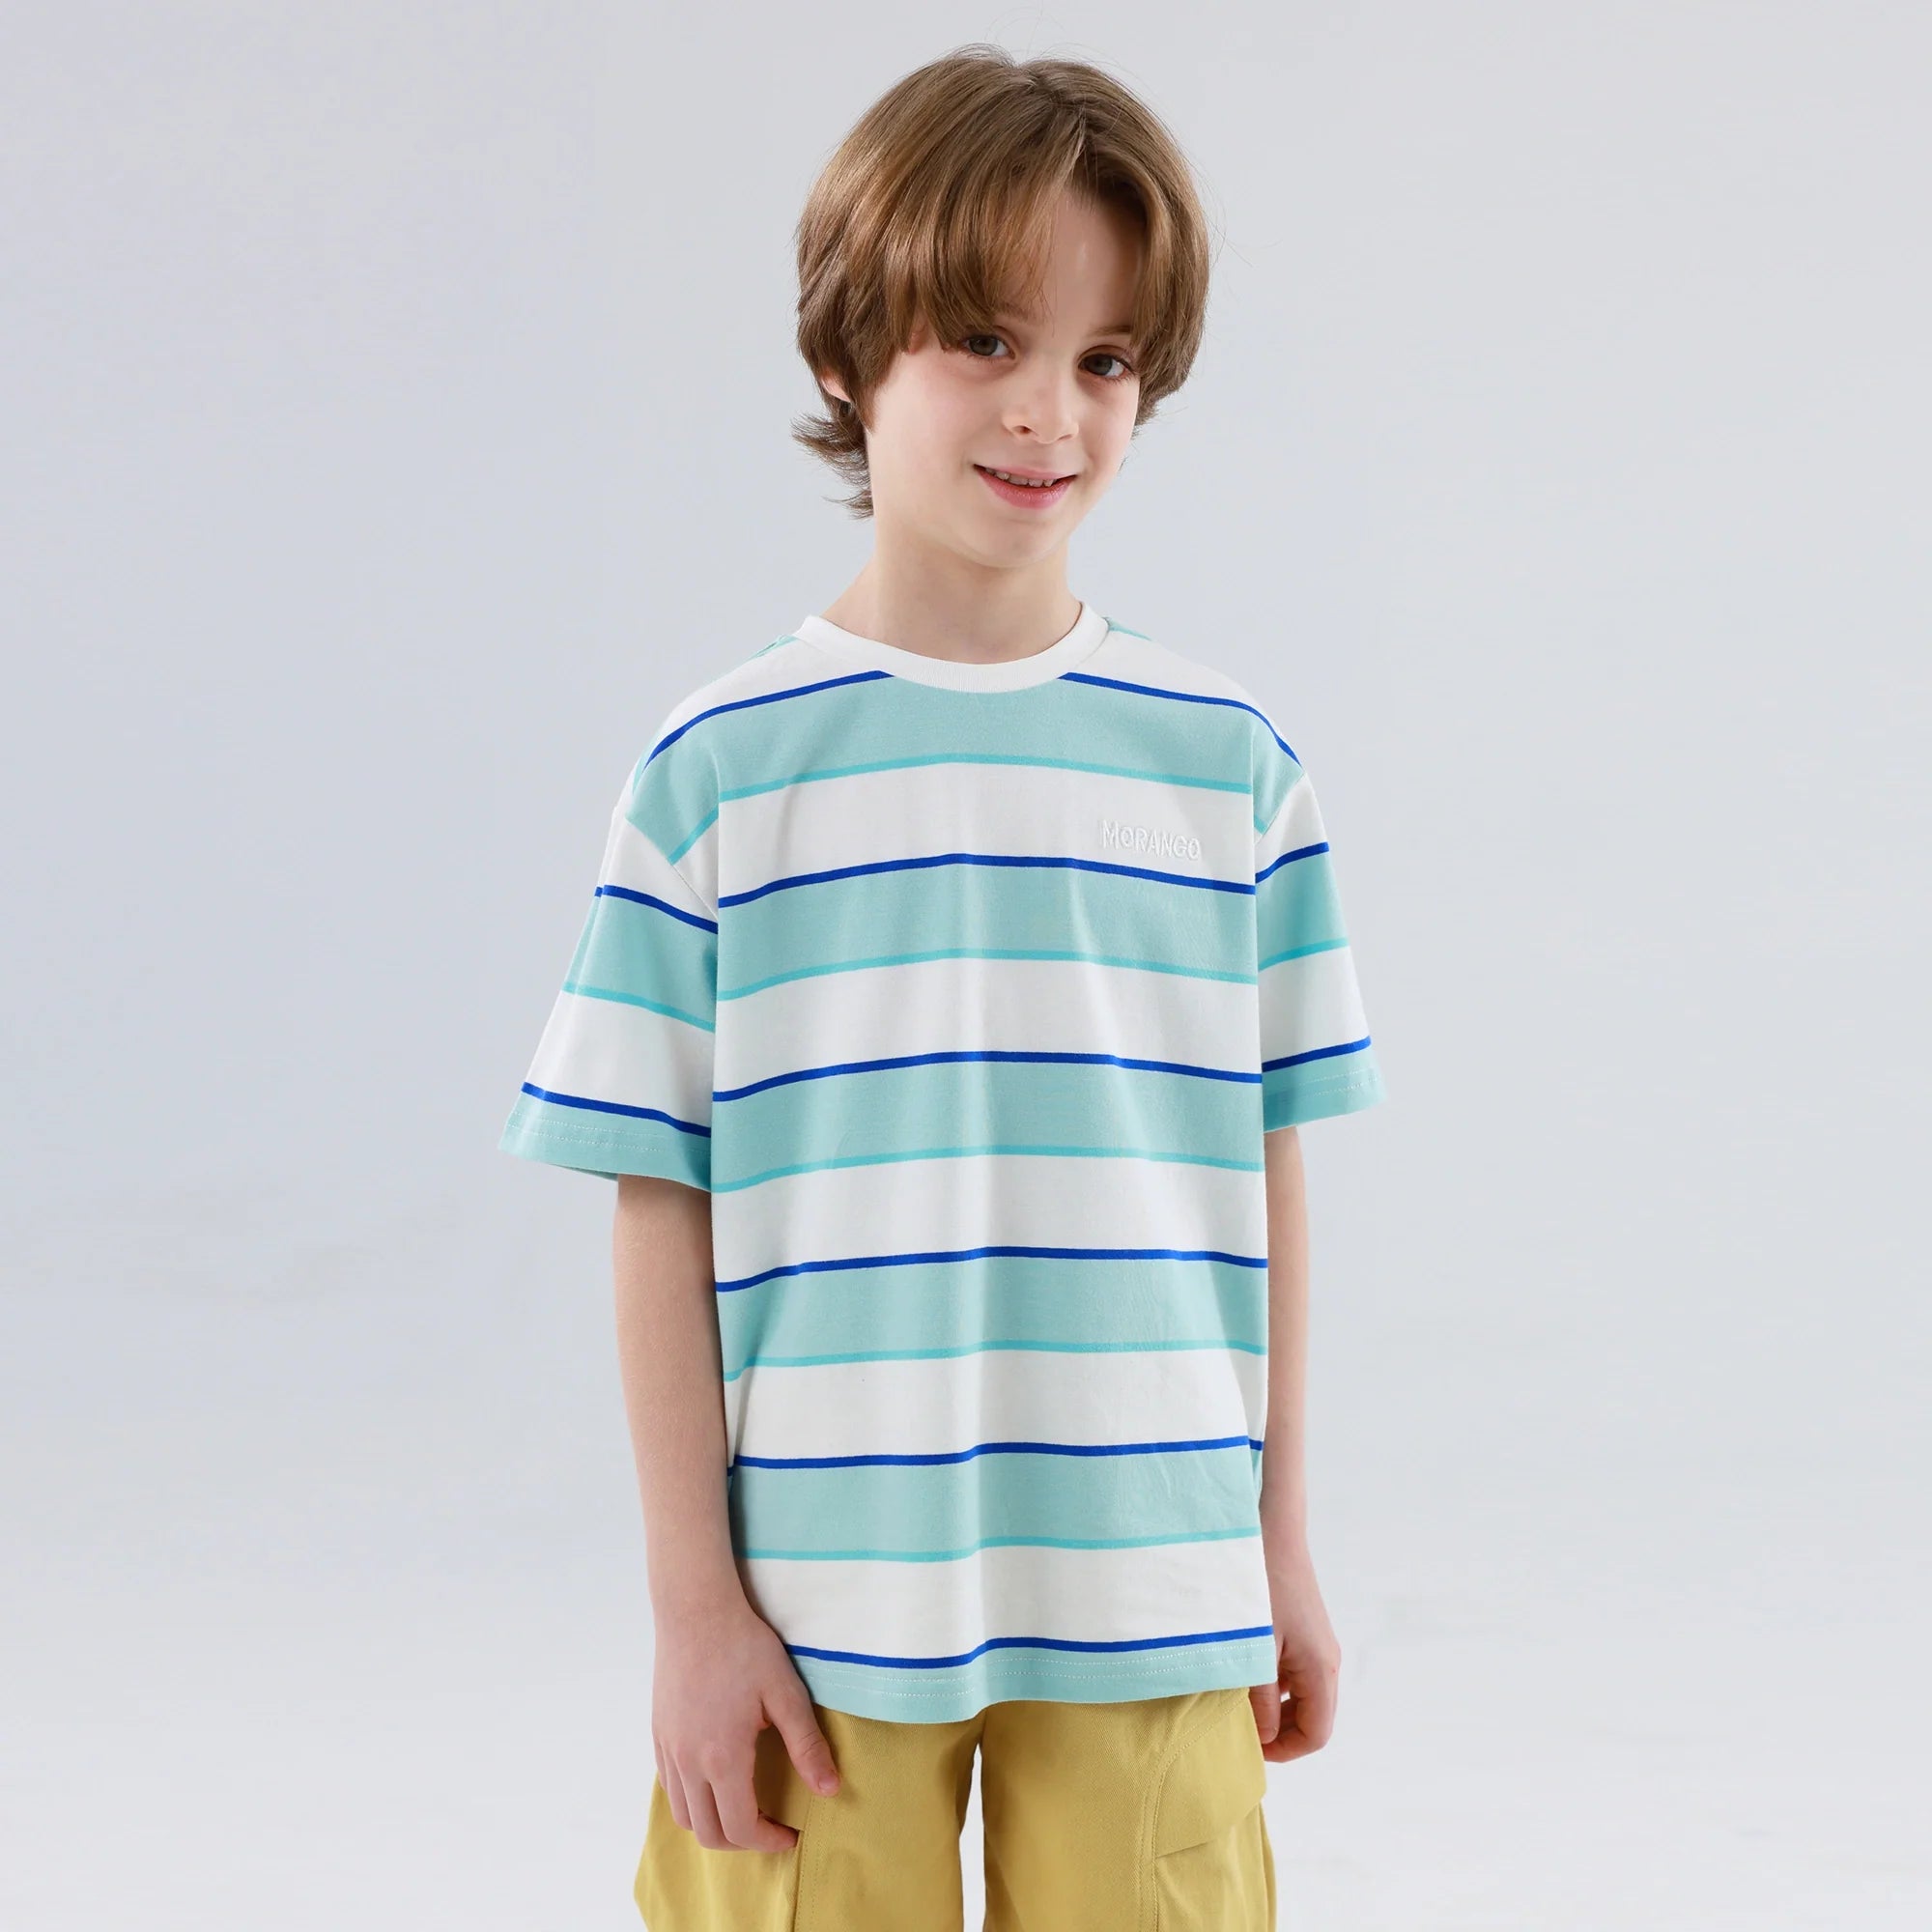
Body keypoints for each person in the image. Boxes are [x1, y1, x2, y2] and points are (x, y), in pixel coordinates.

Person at [499, 42, 1387, 1932]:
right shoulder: (719, 773)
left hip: (1153, 1579)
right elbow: (658, 1195)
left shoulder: (1228, 768)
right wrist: (692, 1608)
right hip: (817, 1597)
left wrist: (1278, 1541)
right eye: (985, 339)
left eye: (1105, 359)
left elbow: (1265, 1168)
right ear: (850, 351)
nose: (1048, 410)